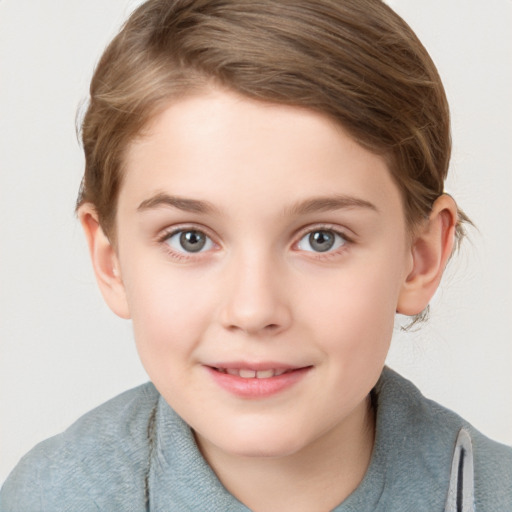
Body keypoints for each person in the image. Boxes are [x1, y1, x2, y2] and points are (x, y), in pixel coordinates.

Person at [1, 0, 511, 510]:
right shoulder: (50, 497)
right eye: (190, 239)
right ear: (111, 261)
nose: (253, 310)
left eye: (321, 239)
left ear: (419, 257)